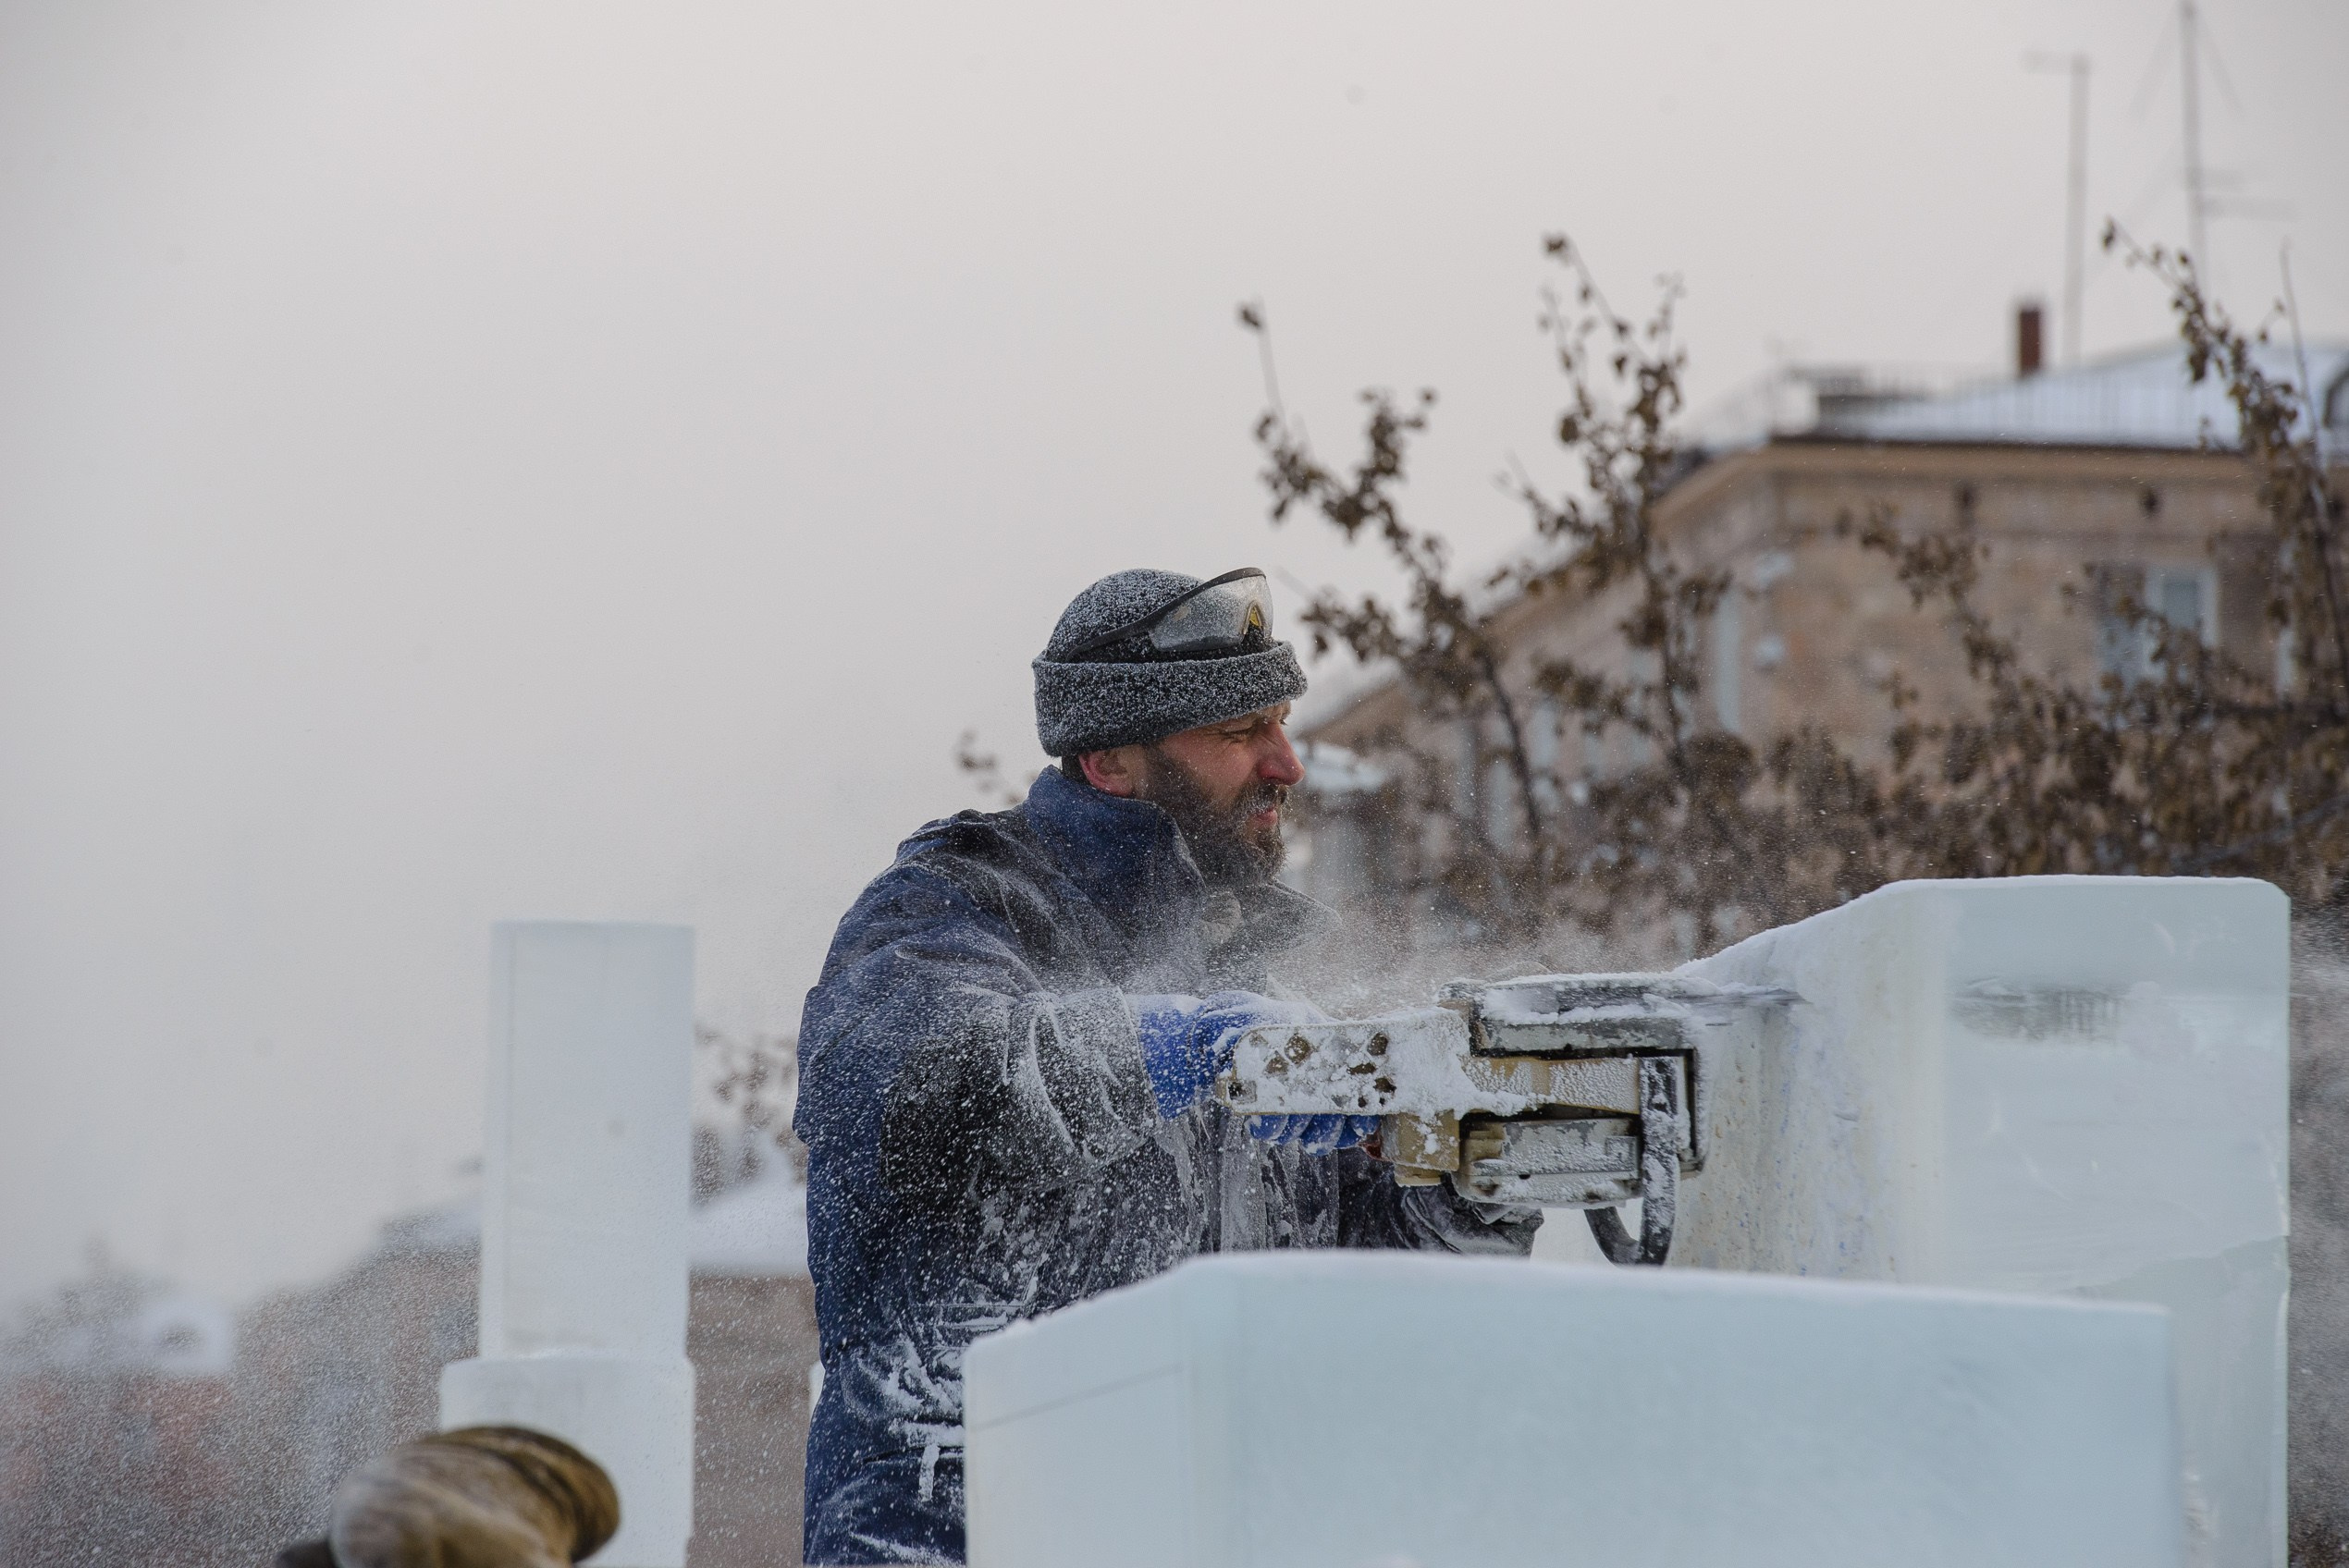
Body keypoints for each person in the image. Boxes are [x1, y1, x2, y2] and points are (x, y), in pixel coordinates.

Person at [793, 568, 1542, 1564]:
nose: (1286, 764)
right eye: (1239, 733)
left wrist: (1473, 1181)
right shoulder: (957, 907)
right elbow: (918, 1090)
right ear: (1111, 759)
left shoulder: (1259, 976)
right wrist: (1175, 1049)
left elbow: (1359, 1305)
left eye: (1280, 723)